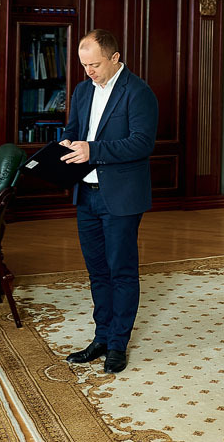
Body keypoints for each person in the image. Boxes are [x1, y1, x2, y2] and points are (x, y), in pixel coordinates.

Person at [59, 29, 158, 375]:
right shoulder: (83, 90)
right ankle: (101, 337)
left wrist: (93, 150)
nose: (89, 72)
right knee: (98, 271)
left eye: (95, 65)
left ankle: (118, 344)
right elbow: (73, 129)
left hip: (121, 196)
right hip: (85, 194)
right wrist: (65, 143)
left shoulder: (138, 92)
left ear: (115, 58)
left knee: (121, 271)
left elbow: (142, 143)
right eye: (84, 65)